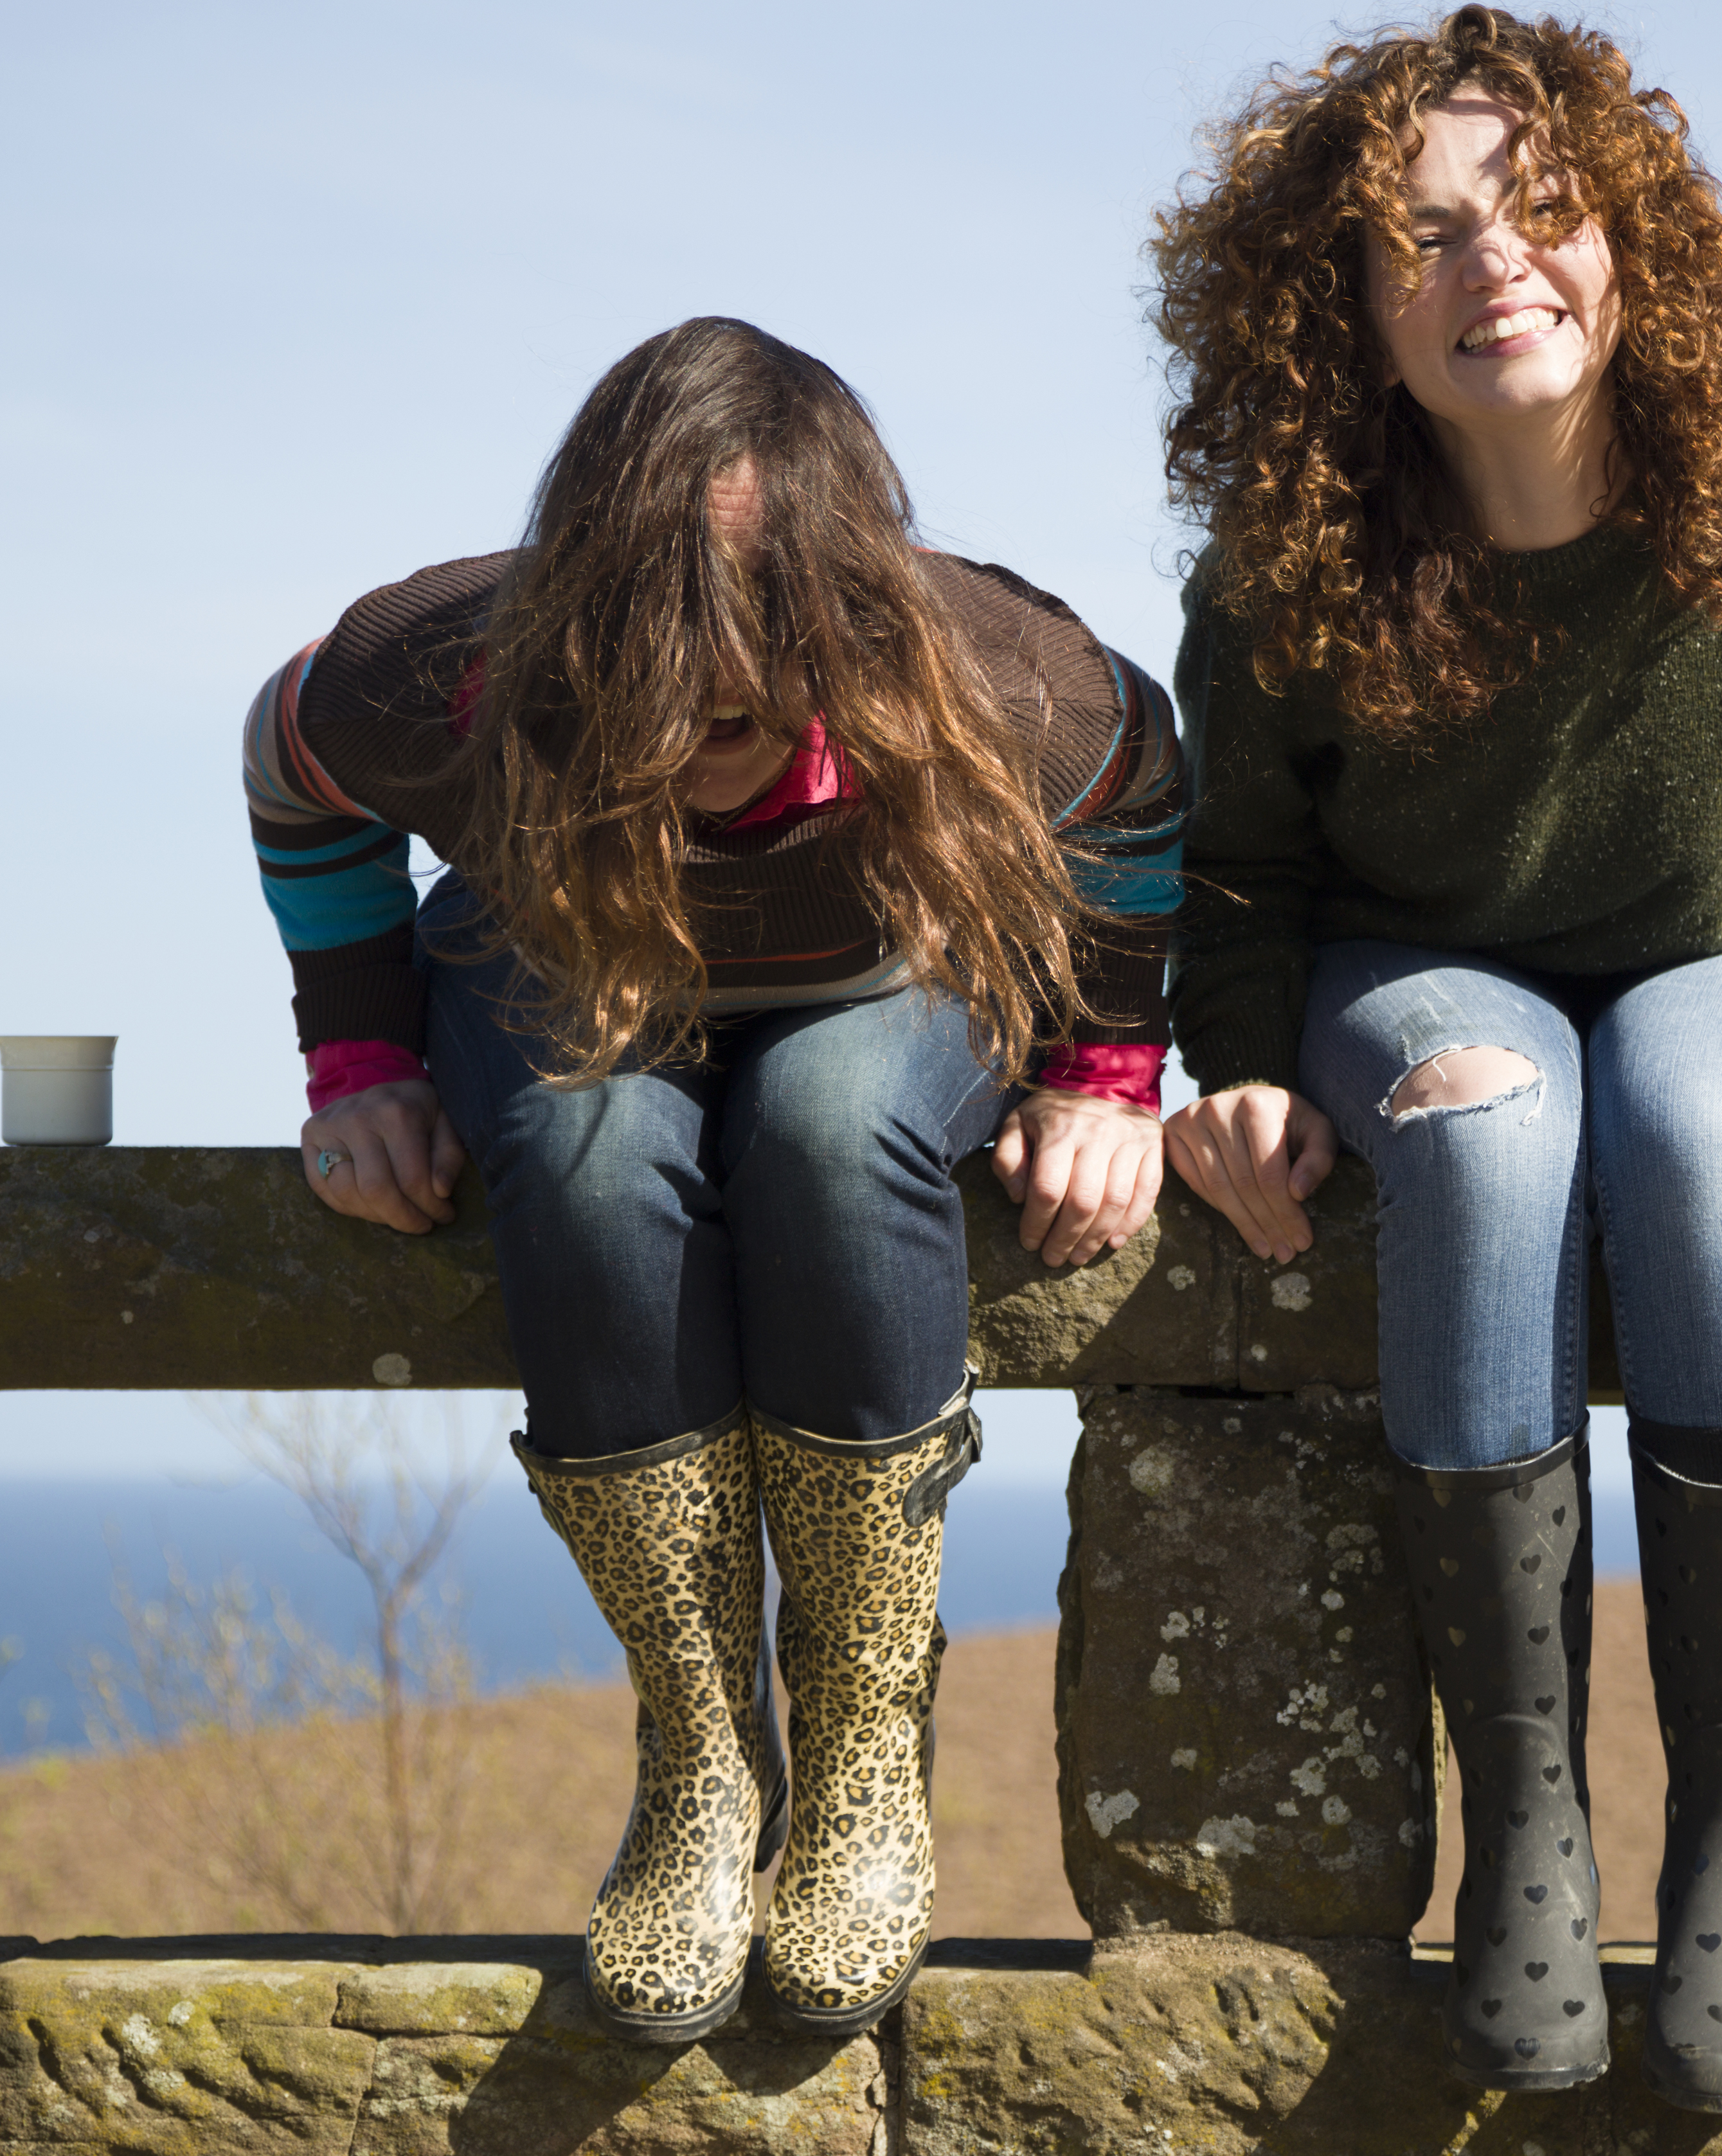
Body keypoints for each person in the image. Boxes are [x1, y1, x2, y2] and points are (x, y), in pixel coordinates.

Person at [1150, 8, 1722, 2112]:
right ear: (1349, 304)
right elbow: (1239, 875)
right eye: (1428, 236)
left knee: (1689, 1101)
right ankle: (1526, 1825)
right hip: (1426, 982)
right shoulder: (1289, 562)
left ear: (1629, 238)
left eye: (1544, 212)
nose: (1497, 270)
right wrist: (1255, 1063)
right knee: (1491, 1122)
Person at [241, 317, 1186, 2038]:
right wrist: (360, 1055)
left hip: (886, 964)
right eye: (648, 687)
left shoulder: (999, 670)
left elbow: (1137, 782)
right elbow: (290, 773)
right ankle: (696, 1751)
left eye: (749, 693)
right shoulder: (431, 665)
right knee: (588, 1152)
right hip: (565, 955)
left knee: (827, 1133)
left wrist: (1104, 1069)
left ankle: (858, 1759)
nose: (695, 738)